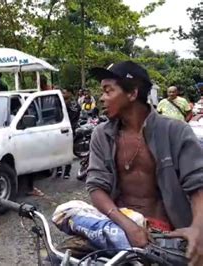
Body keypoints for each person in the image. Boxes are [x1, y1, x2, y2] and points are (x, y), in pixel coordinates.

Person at [58, 61, 203, 265]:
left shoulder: (176, 131)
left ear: (132, 94)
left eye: (108, 91)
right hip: (117, 228)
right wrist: (127, 225)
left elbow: (198, 185)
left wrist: (198, 228)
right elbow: (96, 186)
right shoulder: (102, 134)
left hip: (166, 235)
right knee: (57, 257)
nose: (101, 98)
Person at [57, 87, 81, 179]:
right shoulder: (59, 103)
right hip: (59, 130)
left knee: (68, 151)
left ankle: (67, 171)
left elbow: (75, 117)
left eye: (65, 92)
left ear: (70, 94)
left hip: (70, 130)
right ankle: (59, 168)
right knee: (58, 150)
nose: (63, 94)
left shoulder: (74, 105)